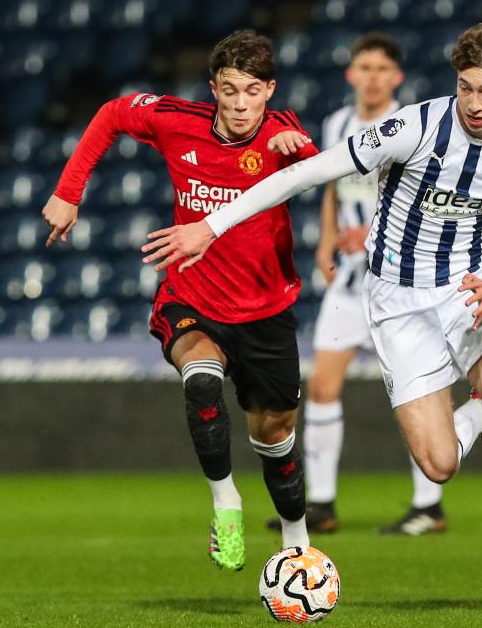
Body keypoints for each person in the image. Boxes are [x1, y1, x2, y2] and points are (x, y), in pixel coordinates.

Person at [142, 22, 482, 616]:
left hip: (475, 295)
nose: (473, 103)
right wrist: (211, 226)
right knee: (439, 466)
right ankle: (481, 413)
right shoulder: (413, 127)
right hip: (398, 306)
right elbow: (303, 174)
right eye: (464, 87)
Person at [42, 29, 319, 572]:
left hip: (265, 308)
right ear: (213, 87)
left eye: (253, 91)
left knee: (276, 434)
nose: (241, 104)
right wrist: (68, 190)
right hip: (191, 295)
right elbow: (113, 114)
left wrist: (303, 150)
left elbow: (319, 165)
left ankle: (296, 538)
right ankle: (225, 503)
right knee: (201, 378)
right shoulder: (176, 121)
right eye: (230, 90)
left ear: (270, 90)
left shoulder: (284, 132)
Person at [284, 32, 450, 535]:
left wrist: (373, 232)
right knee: (321, 386)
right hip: (352, 280)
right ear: (350, 74)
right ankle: (322, 503)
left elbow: (423, 198)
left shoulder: (414, 125)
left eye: (382, 68)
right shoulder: (337, 123)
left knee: (418, 387)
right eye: (365, 67)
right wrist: (325, 240)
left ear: (396, 77)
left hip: (402, 277)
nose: (372, 77)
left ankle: (428, 506)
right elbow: (335, 185)